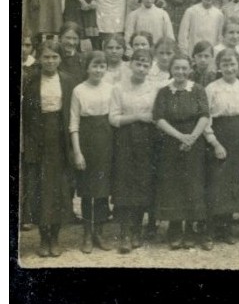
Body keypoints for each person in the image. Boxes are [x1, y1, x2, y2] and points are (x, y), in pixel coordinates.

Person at [153, 51, 211, 250]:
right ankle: (175, 229)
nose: (180, 72)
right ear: (171, 69)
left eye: (184, 68)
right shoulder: (163, 91)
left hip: (195, 144)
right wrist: (180, 136)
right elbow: (158, 118)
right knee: (174, 185)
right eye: (176, 68)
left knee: (193, 184)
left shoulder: (198, 90)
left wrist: (193, 137)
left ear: (190, 69)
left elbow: (204, 115)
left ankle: (191, 230)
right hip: (171, 144)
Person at [21, 42, 74, 258]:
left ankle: (55, 237)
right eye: (46, 57)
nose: (50, 61)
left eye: (54, 57)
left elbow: (72, 113)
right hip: (39, 140)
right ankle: (43, 238)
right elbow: (26, 115)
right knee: (41, 189)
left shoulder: (69, 82)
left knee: (59, 189)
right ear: (39, 59)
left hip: (60, 141)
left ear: (60, 59)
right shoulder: (31, 81)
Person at [108, 47, 157, 253]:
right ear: (130, 65)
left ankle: (137, 229)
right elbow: (113, 118)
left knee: (142, 183)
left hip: (147, 140)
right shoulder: (118, 88)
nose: (141, 68)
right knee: (125, 184)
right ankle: (125, 233)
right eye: (138, 63)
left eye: (146, 65)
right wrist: (137, 117)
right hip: (125, 139)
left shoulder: (154, 89)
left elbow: (155, 116)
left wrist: (145, 120)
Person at [203, 49, 239, 245]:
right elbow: (206, 117)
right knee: (216, 181)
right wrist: (214, 142)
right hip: (219, 132)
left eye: (232, 64)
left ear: (238, 66)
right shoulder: (211, 88)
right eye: (225, 64)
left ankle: (226, 229)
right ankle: (209, 230)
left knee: (233, 182)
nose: (229, 68)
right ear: (219, 66)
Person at [69, 51, 114, 253]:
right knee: (87, 191)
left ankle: (100, 232)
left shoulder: (111, 89)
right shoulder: (79, 90)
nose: (98, 69)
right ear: (87, 67)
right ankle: (87, 233)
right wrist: (77, 152)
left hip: (107, 141)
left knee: (103, 191)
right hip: (87, 142)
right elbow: (74, 123)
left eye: (102, 66)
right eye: (94, 65)